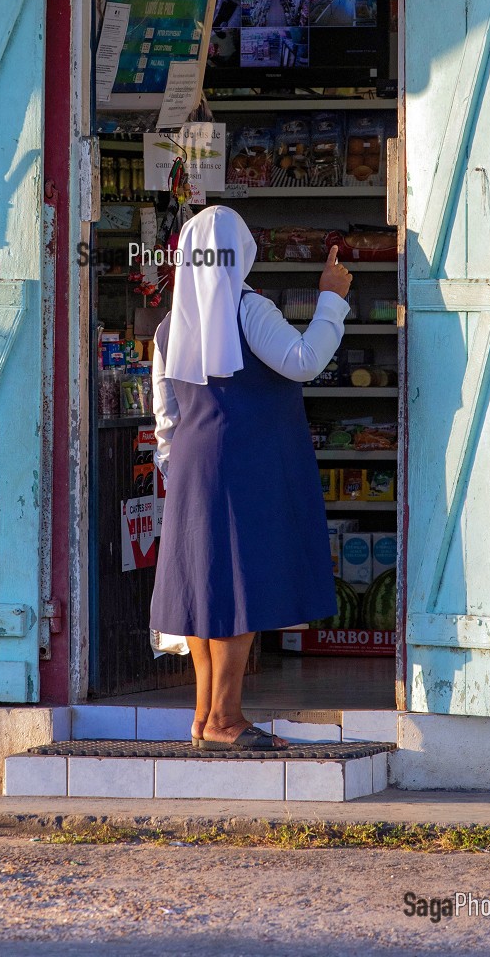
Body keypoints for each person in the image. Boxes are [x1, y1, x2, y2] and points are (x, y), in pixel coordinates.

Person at [150, 205, 352, 752]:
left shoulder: (170, 327)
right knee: (240, 584)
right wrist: (332, 296)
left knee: (202, 584)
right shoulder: (249, 310)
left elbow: (164, 416)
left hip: (193, 462)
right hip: (247, 462)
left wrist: (178, 468)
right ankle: (226, 718)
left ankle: (203, 718)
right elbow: (304, 360)